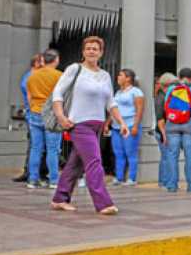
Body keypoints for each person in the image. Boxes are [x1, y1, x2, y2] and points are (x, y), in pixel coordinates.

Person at [51, 36, 129, 215]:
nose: (91, 51)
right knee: (94, 162)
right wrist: (61, 117)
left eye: (95, 48)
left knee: (75, 164)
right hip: (79, 124)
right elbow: (57, 93)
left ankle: (59, 199)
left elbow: (111, 102)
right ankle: (103, 203)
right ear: (83, 51)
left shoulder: (105, 76)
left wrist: (121, 122)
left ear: (101, 53)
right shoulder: (75, 69)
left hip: (97, 126)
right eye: (88, 48)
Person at [26, 49, 63, 189]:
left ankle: (32, 179)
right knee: (53, 149)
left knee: (36, 148)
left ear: (43, 60)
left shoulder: (32, 76)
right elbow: (62, 96)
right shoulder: (59, 75)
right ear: (56, 59)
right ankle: (53, 180)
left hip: (35, 112)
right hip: (52, 114)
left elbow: (29, 97)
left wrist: (35, 107)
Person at [165, 67, 191, 193]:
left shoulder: (171, 88)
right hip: (190, 123)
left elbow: (167, 106)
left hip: (172, 123)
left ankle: (172, 185)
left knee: (172, 155)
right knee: (190, 155)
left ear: (179, 76)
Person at [104, 68, 144, 186]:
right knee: (118, 152)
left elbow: (140, 110)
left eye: (121, 75)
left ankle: (132, 178)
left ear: (128, 78)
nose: (118, 77)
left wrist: (136, 126)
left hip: (131, 125)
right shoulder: (118, 93)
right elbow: (114, 110)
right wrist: (107, 123)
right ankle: (119, 177)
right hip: (116, 127)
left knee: (130, 152)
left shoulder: (136, 92)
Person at [13, 54, 44, 183]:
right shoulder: (30, 77)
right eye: (42, 61)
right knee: (35, 145)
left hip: (34, 113)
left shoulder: (31, 76)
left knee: (35, 145)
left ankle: (33, 172)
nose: (45, 64)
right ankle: (31, 172)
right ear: (36, 63)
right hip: (35, 113)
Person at [154, 72, 177, 189]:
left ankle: (165, 181)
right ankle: (164, 182)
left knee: (167, 157)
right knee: (166, 157)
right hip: (162, 132)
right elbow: (160, 119)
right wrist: (164, 135)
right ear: (166, 85)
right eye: (173, 85)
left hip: (167, 132)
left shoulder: (167, 97)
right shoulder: (160, 98)